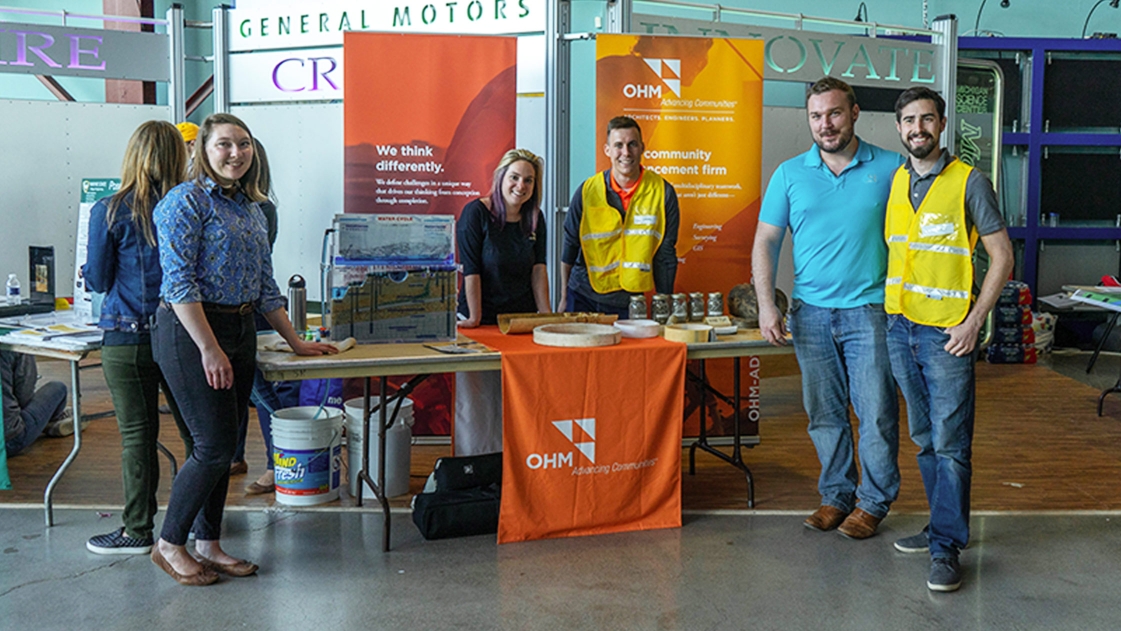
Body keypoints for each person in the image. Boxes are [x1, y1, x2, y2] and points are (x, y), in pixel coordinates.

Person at [150, 113, 337, 586]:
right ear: (202, 151)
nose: (236, 154)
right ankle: (170, 544)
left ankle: (207, 543)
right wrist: (210, 350)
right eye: (225, 145)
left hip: (239, 328)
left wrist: (296, 342)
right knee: (212, 447)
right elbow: (178, 284)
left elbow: (265, 285)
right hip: (191, 330)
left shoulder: (250, 209)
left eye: (244, 145)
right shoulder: (183, 202)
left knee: (226, 443)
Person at [752, 77, 903, 540]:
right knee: (824, 413)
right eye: (816, 116)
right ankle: (837, 495)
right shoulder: (790, 174)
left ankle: (873, 503)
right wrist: (766, 305)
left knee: (876, 411)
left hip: (870, 310)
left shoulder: (893, 168)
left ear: (854, 112)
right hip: (810, 313)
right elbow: (766, 242)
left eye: (834, 113)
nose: (825, 124)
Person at [884, 87, 1014, 592]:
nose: (919, 128)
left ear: (942, 125)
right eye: (910, 120)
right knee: (924, 439)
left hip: (947, 335)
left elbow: (1001, 257)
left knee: (952, 443)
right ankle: (940, 526)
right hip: (900, 328)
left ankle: (946, 548)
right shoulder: (896, 181)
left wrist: (975, 320)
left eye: (928, 119)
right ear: (899, 128)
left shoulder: (970, 182)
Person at [82, 120, 194, 555]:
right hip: (183, 335)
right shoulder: (191, 206)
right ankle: (200, 525)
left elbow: (98, 278)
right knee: (198, 438)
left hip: (126, 338)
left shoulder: (109, 210)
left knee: (137, 436)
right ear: (178, 156)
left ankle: (136, 530)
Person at [454, 149, 550, 455]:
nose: (520, 186)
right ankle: (479, 461)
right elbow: (472, 270)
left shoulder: (535, 218)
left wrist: (546, 317)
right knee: (479, 402)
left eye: (529, 181)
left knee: (519, 397)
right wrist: (474, 317)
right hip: (480, 323)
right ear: (500, 178)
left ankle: (520, 459)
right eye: (515, 177)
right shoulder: (476, 213)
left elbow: (539, 269)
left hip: (520, 324)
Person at [232, 138, 300, 495]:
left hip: (250, 313)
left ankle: (282, 461)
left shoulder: (261, 209)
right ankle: (234, 456)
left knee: (260, 391)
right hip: (234, 313)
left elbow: (259, 273)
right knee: (239, 390)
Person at [559, 116, 679, 317]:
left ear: (642, 147)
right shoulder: (587, 191)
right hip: (582, 296)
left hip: (630, 303)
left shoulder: (663, 193)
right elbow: (570, 245)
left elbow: (665, 253)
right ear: (607, 150)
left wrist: (664, 301)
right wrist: (563, 297)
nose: (626, 152)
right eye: (618, 145)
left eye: (632, 144)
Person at [2, 351, 69, 456]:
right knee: (58, 388)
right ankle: (53, 420)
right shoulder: (16, 344)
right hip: (9, 440)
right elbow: (24, 397)